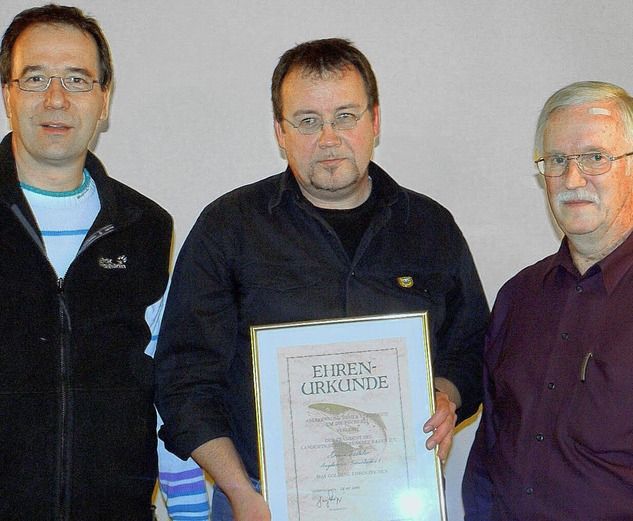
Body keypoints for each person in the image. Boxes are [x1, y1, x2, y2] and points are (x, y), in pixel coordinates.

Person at [156, 37, 489, 521]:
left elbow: (471, 346)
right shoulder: (228, 228)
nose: (328, 138)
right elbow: (183, 379)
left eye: (345, 116)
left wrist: (445, 395)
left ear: (375, 121)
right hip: (259, 500)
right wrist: (239, 494)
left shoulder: (430, 227)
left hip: (398, 495)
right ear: (280, 131)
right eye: (308, 121)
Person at [0, 5, 207, 520]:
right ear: (7, 93)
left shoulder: (147, 228)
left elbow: (165, 394)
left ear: (104, 100)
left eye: (76, 78)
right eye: (34, 78)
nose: (56, 98)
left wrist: (191, 513)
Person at [462, 81, 633, 520]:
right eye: (557, 160)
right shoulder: (518, 297)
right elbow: (491, 448)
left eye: (595, 158)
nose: (572, 178)